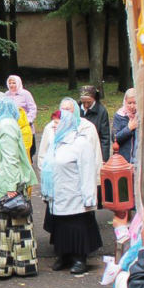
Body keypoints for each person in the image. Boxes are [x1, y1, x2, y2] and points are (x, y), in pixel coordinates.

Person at [40, 110, 102, 275]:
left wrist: (89, 198)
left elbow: (88, 171)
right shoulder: (56, 143)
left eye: (57, 122)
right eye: (53, 122)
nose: (53, 126)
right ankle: (64, 255)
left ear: (67, 123)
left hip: (75, 196)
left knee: (77, 224)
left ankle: (80, 258)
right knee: (61, 226)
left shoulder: (81, 144)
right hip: (58, 195)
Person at [0, 98, 39, 278]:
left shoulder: (6, 125)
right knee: (10, 229)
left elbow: (11, 159)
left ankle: (15, 267)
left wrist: (11, 187)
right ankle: (12, 266)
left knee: (13, 228)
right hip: (4, 185)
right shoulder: (3, 124)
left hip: (8, 187)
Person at [38, 97, 78, 170]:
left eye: (68, 109)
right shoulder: (50, 128)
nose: (65, 112)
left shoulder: (85, 127)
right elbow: (42, 154)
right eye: (62, 109)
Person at [79, 85, 112, 161]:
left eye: (89, 102)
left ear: (94, 99)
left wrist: (104, 159)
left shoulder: (101, 111)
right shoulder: (76, 109)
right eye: (83, 102)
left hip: (95, 152)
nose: (86, 105)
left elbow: (105, 137)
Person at [112, 89, 138, 163]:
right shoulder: (119, 116)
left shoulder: (142, 115)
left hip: (139, 161)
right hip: (123, 159)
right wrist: (128, 129)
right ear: (125, 101)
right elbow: (114, 138)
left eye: (135, 103)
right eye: (129, 103)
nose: (132, 106)